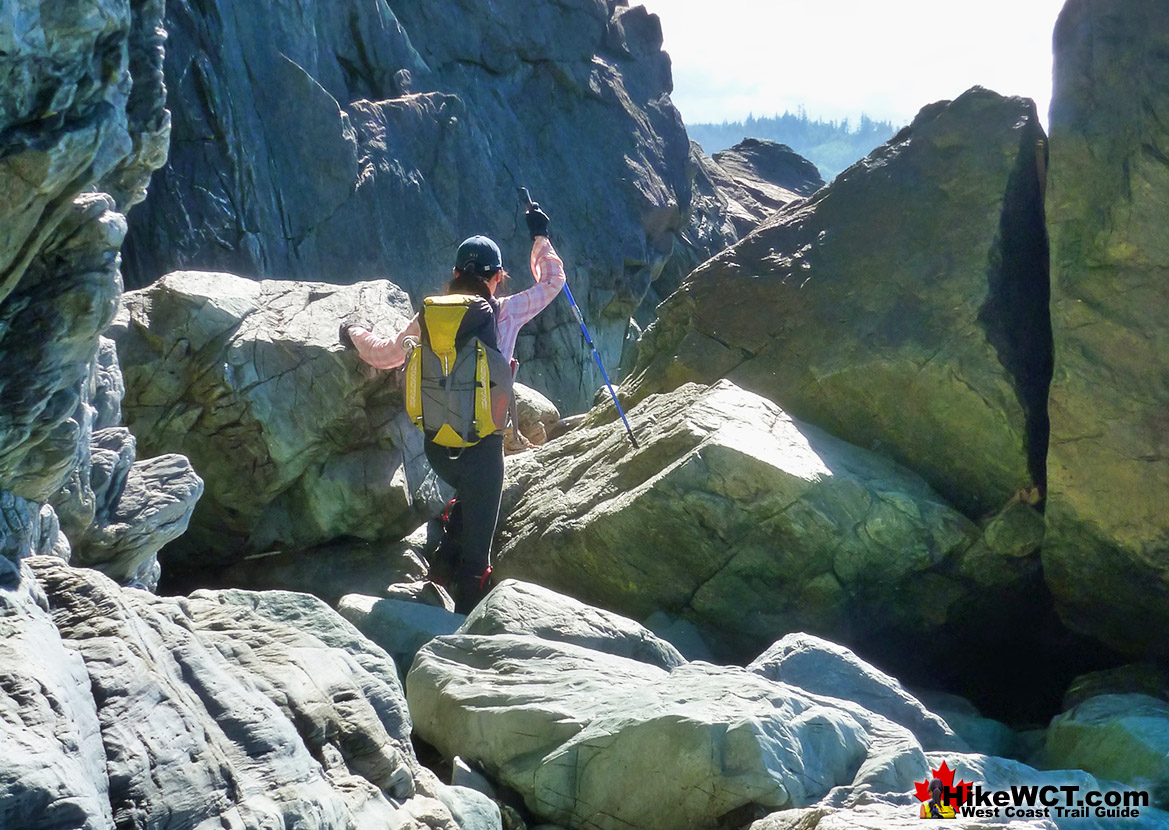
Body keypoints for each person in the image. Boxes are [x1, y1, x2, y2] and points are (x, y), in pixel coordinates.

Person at [341, 205, 565, 612]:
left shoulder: (429, 315)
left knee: (466, 499)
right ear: (496, 277)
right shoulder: (505, 312)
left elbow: (385, 354)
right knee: (477, 561)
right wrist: (540, 237)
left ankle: (440, 563)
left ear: (456, 273)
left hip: (436, 447)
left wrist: (352, 331)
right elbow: (553, 280)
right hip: (481, 452)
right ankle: (463, 626)